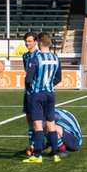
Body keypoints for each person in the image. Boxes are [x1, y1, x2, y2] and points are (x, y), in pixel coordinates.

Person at [23, 31, 63, 165]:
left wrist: (31, 89)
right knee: (51, 124)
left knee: (38, 125)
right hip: (50, 94)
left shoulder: (36, 58)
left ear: (40, 43)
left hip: (37, 94)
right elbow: (59, 78)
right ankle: (56, 154)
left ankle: (38, 155)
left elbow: (28, 79)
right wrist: (50, 85)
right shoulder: (56, 58)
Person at [20, 31, 37, 155]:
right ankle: (31, 143)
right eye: (26, 41)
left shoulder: (39, 55)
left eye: (30, 41)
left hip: (37, 92)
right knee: (29, 119)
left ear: (35, 42)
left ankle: (37, 145)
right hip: (28, 92)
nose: (28, 43)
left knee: (39, 120)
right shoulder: (25, 56)